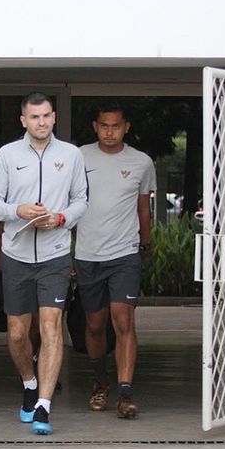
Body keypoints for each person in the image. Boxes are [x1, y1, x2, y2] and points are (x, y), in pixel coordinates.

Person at [0, 92, 88, 435]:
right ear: (23, 120)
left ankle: (43, 405)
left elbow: (81, 202)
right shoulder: (7, 155)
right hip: (16, 255)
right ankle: (29, 382)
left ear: (54, 117)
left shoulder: (71, 155)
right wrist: (19, 210)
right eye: (34, 117)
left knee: (51, 327)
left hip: (55, 255)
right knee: (16, 333)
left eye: (46, 116)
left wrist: (60, 219)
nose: (41, 122)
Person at [75, 104, 155, 419]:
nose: (110, 132)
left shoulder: (141, 162)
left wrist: (145, 245)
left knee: (123, 320)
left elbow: (143, 208)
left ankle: (124, 393)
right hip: (88, 255)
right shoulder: (78, 157)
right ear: (95, 127)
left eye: (116, 126)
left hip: (125, 253)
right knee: (95, 326)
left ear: (127, 127)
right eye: (105, 126)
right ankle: (100, 381)